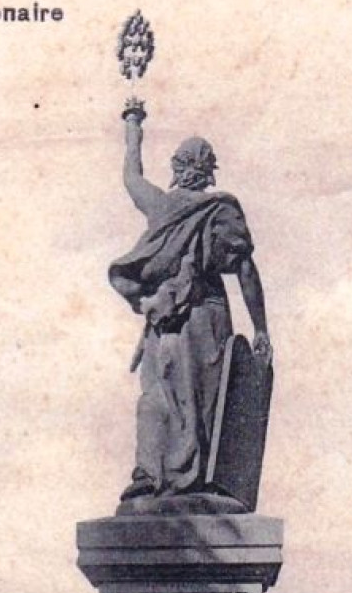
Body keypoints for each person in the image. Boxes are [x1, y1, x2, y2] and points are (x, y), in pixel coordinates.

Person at [108, 102, 269, 505]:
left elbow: (131, 174)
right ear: (208, 170)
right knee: (200, 398)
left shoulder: (159, 206)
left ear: (176, 167)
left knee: (157, 396)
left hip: (162, 323)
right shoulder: (219, 209)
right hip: (204, 315)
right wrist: (261, 327)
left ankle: (149, 474)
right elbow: (245, 271)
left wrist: (132, 124)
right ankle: (191, 482)